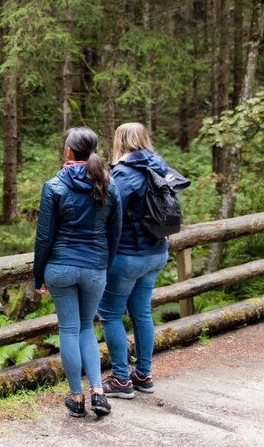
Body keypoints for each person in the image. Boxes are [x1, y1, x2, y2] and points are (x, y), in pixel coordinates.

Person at [33, 127, 121, 418]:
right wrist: (103, 267)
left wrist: (38, 275)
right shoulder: (109, 183)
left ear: (69, 151)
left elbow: (44, 237)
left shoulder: (54, 185)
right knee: (87, 328)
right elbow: (115, 233)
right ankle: (98, 391)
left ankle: (76, 396)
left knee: (69, 330)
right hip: (95, 267)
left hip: (60, 267)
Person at [98, 122, 170, 399]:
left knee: (111, 315)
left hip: (129, 256)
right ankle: (143, 374)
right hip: (156, 252)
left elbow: (109, 214)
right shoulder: (160, 167)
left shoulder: (124, 176)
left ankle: (120, 379)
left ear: (120, 142)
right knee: (141, 313)